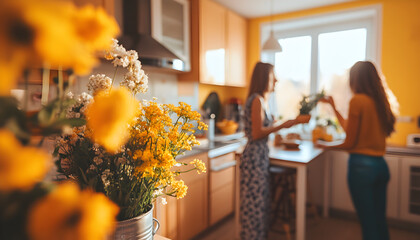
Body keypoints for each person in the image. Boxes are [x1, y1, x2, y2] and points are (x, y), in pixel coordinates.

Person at [317, 61, 396, 240]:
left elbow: (349, 142)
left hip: (362, 170)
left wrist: (325, 145)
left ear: (356, 79)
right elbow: (349, 129)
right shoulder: (381, 102)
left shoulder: (357, 101)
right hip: (380, 167)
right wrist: (334, 107)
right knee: (379, 222)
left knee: (368, 225)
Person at [240, 62, 307, 240]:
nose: (276, 80)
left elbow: (261, 128)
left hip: (259, 155)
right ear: (264, 78)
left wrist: (285, 123)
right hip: (254, 156)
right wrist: (283, 125)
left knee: (259, 201)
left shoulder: (261, 100)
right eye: (272, 76)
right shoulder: (257, 100)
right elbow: (256, 133)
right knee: (254, 202)